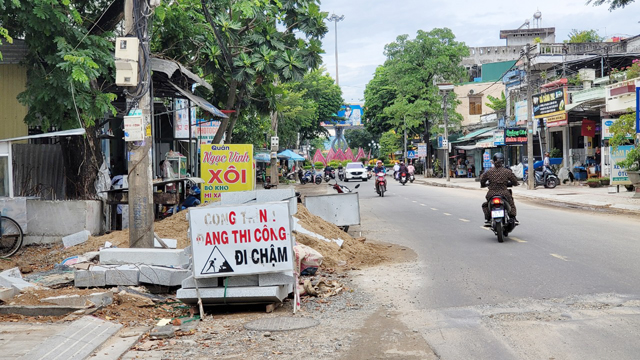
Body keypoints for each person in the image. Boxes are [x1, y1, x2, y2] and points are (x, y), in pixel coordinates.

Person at [480, 153, 519, 226]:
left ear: (493, 161)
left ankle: (488, 219)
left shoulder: (489, 172)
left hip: (491, 193)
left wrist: (483, 185)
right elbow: (514, 181)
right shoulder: (507, 171)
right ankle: (513, 217)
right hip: (504, 193)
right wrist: (515, 183)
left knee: (486, 205)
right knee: (511, 204)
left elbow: (482, 180)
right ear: (503, 161)